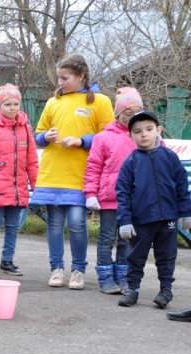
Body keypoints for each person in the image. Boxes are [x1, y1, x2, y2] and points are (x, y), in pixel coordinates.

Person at [32, 53, 113, 290]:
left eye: (65, 78)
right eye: (58, 78)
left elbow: (109, 136)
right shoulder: (52, 102)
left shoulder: (100, 101)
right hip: (52, 173)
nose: (60, 82)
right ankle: (56, 269)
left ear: (81, 76)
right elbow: (38, 135)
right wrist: (45, 137)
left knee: (77, 223)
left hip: (80, 174)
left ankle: (78, 270)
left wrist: (82, 141)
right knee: (54, 224)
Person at [114, 111, 191, 308]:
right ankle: (132, 289)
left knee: (166, 256)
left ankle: (166, 290)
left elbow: (182, 185)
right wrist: (125, 221)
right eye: (137, 131)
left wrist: (185, 212)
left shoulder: (170, 157)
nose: (144, 134)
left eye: (149, 129)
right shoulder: (130, 162)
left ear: (158, 130)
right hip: (141, 220)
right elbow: (122, 193)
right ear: (130, 136)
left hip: (168, 219)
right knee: (136, 256)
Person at [83, 87, 143, 294]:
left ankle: (123, 276)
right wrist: (90, 193)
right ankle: (106, 276)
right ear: (118, 113)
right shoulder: (103, 138)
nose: (132, 116)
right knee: (107, 237)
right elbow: (93, 167)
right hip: (110, 198)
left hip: (135, 200)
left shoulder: (142, 136)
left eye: (137, 112)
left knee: (127, 239)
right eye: (128, 112)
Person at [0, 83, 38, 278]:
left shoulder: (26, 129)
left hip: (18, 188)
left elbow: (32, 160)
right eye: (7, 104)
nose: (12, 108)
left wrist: (36, 184)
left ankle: (7, 260)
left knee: (13, 226)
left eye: (15, 104)